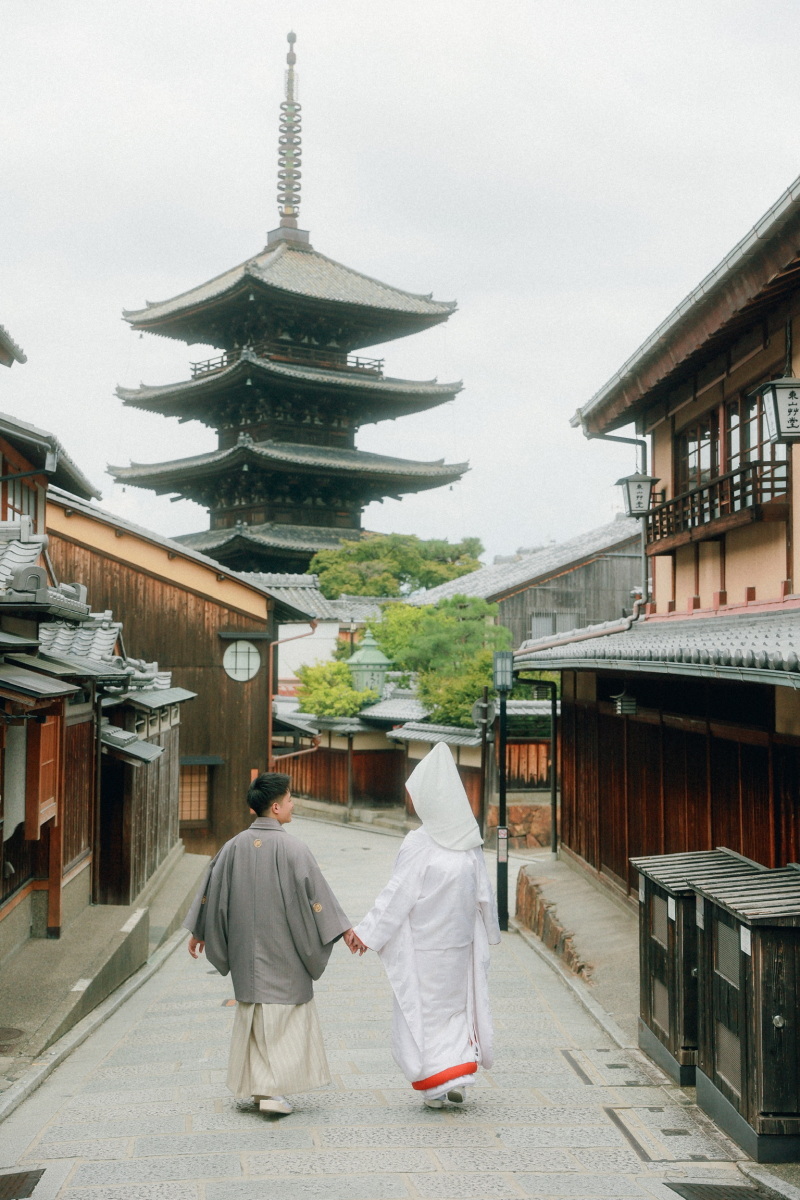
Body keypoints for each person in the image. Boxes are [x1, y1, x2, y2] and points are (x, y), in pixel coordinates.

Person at [184, 772, 361, 1115]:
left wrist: (200, 930)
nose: (294, 804)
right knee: (281, 1020)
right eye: (291, 799)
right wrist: (343, 930)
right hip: (285, 951)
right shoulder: (294, 848)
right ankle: (272, 1092)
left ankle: (259, 1087)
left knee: (254, 1016)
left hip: (245, 951)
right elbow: (317, 898)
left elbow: (212, 895)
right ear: (276, 807)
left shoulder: (232, 847)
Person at [351, 741, 501, 1108]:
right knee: (456, 1010)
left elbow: (396, 895)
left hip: (423, 947)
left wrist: (366, 933)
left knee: (424, 1011)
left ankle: (435, 1085)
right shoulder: (469, 842)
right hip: (459, 946)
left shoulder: (419, 843)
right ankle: (458, 1078)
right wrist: (491, 934)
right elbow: (485, 895)